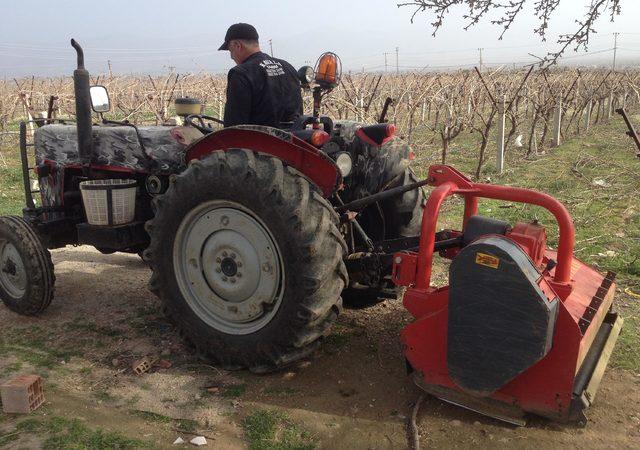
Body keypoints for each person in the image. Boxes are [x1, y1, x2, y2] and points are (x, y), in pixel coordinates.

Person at [218, 23, 303, 128]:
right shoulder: (287, 67)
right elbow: (298, 112)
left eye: (231, 51)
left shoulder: (241, 74)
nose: (231, 57)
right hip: (294, 140)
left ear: (237, 45)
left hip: (258, 142)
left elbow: (234, 126)